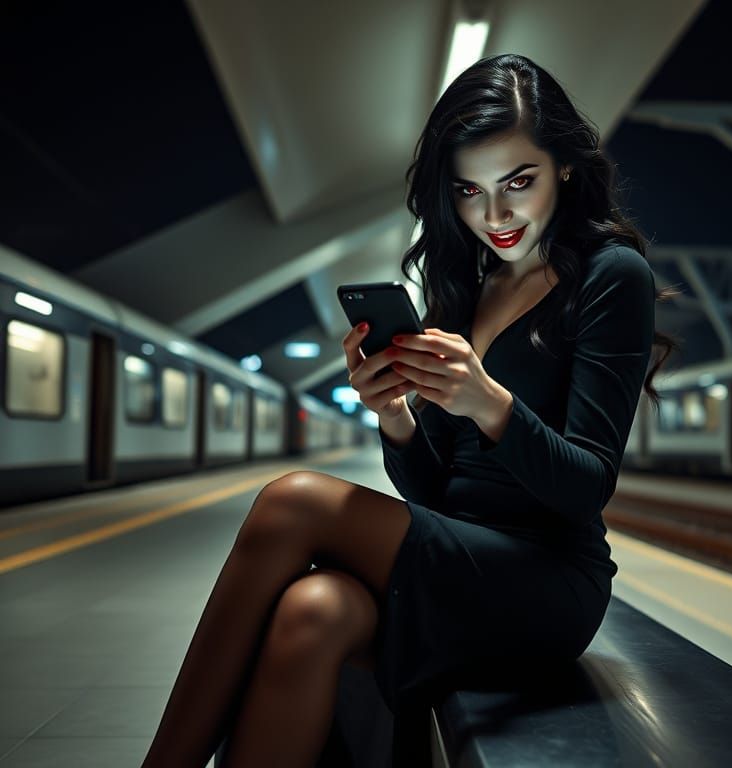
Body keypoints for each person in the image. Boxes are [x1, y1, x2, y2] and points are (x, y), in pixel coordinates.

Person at [141, 52, 677, 768]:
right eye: (469, 190)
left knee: (293, 500)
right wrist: (394, 416)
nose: (496, 215)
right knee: (315, 609)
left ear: (567, 169)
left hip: (546, 581)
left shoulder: (612, 276)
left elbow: (587, 487)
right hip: (456, 559)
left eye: (520, 182)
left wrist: (487, 400)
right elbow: (434, 494)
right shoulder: (467, 287)